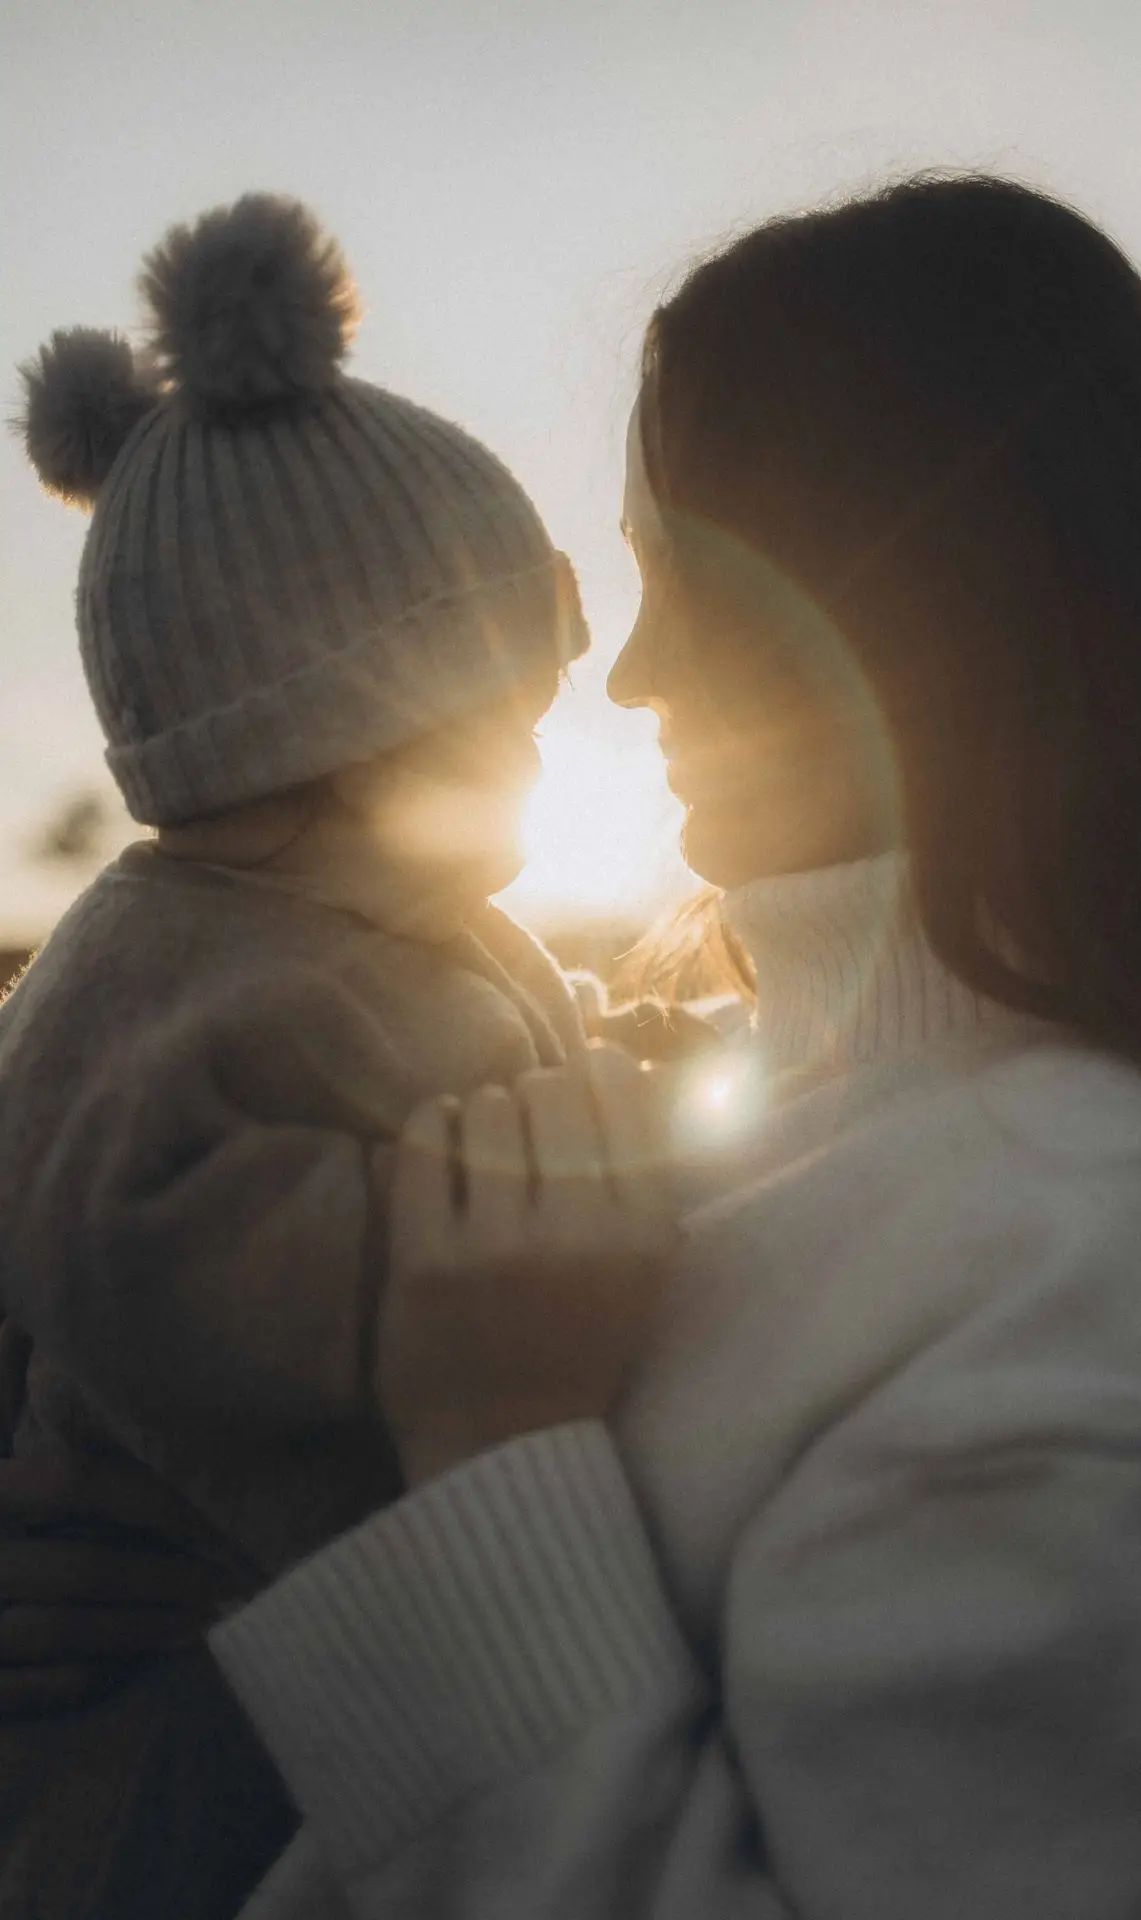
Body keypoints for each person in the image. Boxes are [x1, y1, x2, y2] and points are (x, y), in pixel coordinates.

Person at [10, 169, 1141, 1918]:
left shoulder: (1088, 1273)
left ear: (905, 600)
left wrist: (477, 1449)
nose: (627, 676)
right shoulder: (784, 1105)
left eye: (676, 575)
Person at [0, 192, 594, 1917]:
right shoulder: (164, 983)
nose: (539, 759)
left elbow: (495, 1049)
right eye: (503, 713)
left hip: (326, 1668)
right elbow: (136, 1235)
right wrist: (467, 1245)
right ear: (340, 728)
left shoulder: (382, 919)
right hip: (177, 1726)